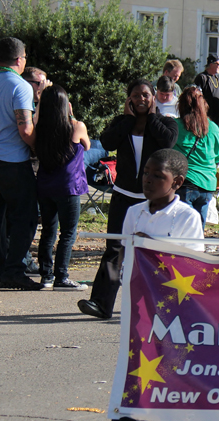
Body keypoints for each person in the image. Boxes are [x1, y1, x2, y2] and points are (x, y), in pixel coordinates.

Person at [110, 148, 204, 421]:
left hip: (171, 305)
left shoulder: (186, 217)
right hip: (138, 301)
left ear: (176, 182)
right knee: (137, 359)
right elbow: (124, 252)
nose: (148, 181)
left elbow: (189, 263)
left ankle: (175, 411)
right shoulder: (134, 212)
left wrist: (151, 248)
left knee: (170, 358)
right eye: (146, 174)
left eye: (157, 176)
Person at [78, 79, 178, 320]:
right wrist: (128, 120)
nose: (141, 99)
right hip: (123, 194)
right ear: (129, 99)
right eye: (135, 95)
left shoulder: (165, 122)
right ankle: (101, 304)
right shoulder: (123, 124)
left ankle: (162, 306)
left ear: (153, 97)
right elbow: (108, 141)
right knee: (113, 248)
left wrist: (152, 117)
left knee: (154, 251)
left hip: (152, 199)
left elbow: (168, 142)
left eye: (145, 95)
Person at [0, 37, 41, 290]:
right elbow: (25, 129)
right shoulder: (20, 86)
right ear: (18, 59)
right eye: (25, 57)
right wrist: (39, 148)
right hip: (11, 159)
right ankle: (15, 269)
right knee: (25, 216)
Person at [35, 85, 90, 290]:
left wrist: (40, 102)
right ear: (65, 105)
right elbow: (87, 146)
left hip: (45, 186)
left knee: (48, 230)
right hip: (68, 187)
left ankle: (46, 276)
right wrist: (71, 114)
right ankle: (62, 276)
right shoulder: (76, 126)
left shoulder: (39, 128)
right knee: (67, 232)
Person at [173, 86, 219, 227]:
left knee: (183, 228)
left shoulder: (176, 126)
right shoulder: (213, 128)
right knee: (197, 229)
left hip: (185, 181)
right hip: (207, 184)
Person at [193, 53, 219, 128]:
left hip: (218, 117)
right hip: (208, 117)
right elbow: (197, 96)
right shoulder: (202, 78)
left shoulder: (216, 78)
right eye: (218, 64)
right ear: (211, 64)